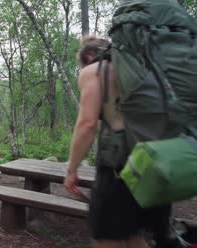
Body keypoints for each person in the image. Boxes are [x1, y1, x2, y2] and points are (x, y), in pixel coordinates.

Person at [64, 36, 171, 248]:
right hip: (160, 162)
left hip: (121, 167)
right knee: (133, 236)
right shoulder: (144, 68)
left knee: (106, 238)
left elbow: (87, 124)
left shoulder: (94, 70)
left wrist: (71, 169)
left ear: (88, 57)